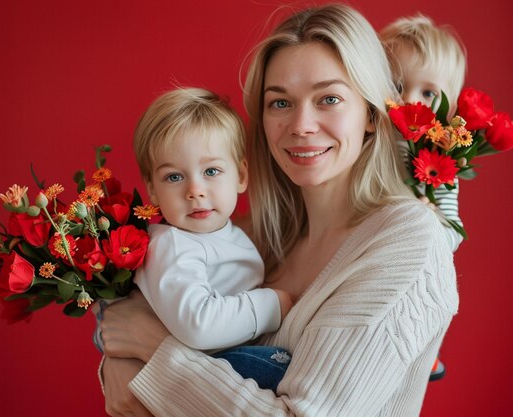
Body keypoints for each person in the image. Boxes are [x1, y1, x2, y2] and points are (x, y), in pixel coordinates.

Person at [98, 4, 459, 416]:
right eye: (280, 103)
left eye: (329, 98)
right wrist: (121, 361)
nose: (301, 124)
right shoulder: (248, 238)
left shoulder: (406, 241)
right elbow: (131, 332)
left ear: (372, 115)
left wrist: (152, 353)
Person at [95, 87, 293, 392]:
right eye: (174, 177)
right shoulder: (174, 246)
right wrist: (269, 305)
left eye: (211, 171)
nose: (194, 190)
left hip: (211, 359)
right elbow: (198, 325)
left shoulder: (225, 235)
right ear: (152, 190)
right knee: (284, 369)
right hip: (201, 364)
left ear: (241, 176)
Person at [380, 15, 468, 380]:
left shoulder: (441, 161)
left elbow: (454, 232)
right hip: (369, 250)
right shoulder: (369, 142)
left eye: (428, 93)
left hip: (412, 261)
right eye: (397, 84)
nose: (409, 100)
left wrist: (430, 222)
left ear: (447, 108)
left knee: (436, 291)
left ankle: (425, 349)